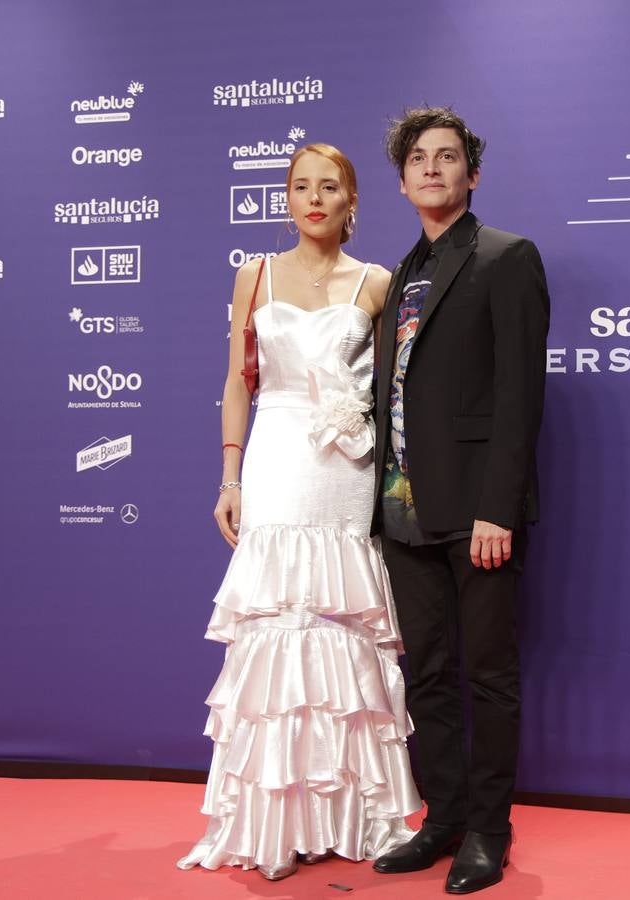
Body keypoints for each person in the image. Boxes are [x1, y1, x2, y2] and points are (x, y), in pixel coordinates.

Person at [177, 143, 420, 882]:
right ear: (286, 198)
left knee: (343, 627)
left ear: (352, 201)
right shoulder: (254, 274)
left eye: (330, 187)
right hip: (278, 457)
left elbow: (393, 391)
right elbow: (237, 382)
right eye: (300, 186)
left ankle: (357, 813)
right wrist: (229, 476)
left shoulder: (377, 283)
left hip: (345, 468)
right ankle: (274, 822)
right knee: (279, 625)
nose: (314, 198)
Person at [369, 107, 550, 894]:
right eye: (418, 159)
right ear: (402, 178)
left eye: (447, 158)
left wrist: (497, 507)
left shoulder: (506, 258)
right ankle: (440, 817)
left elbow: (518, 395)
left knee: (487, 674)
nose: (432, 169)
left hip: (477, 513)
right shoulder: (397, 274)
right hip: (402, 511)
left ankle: (488, 829)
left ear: (471, 174)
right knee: (429, 675)